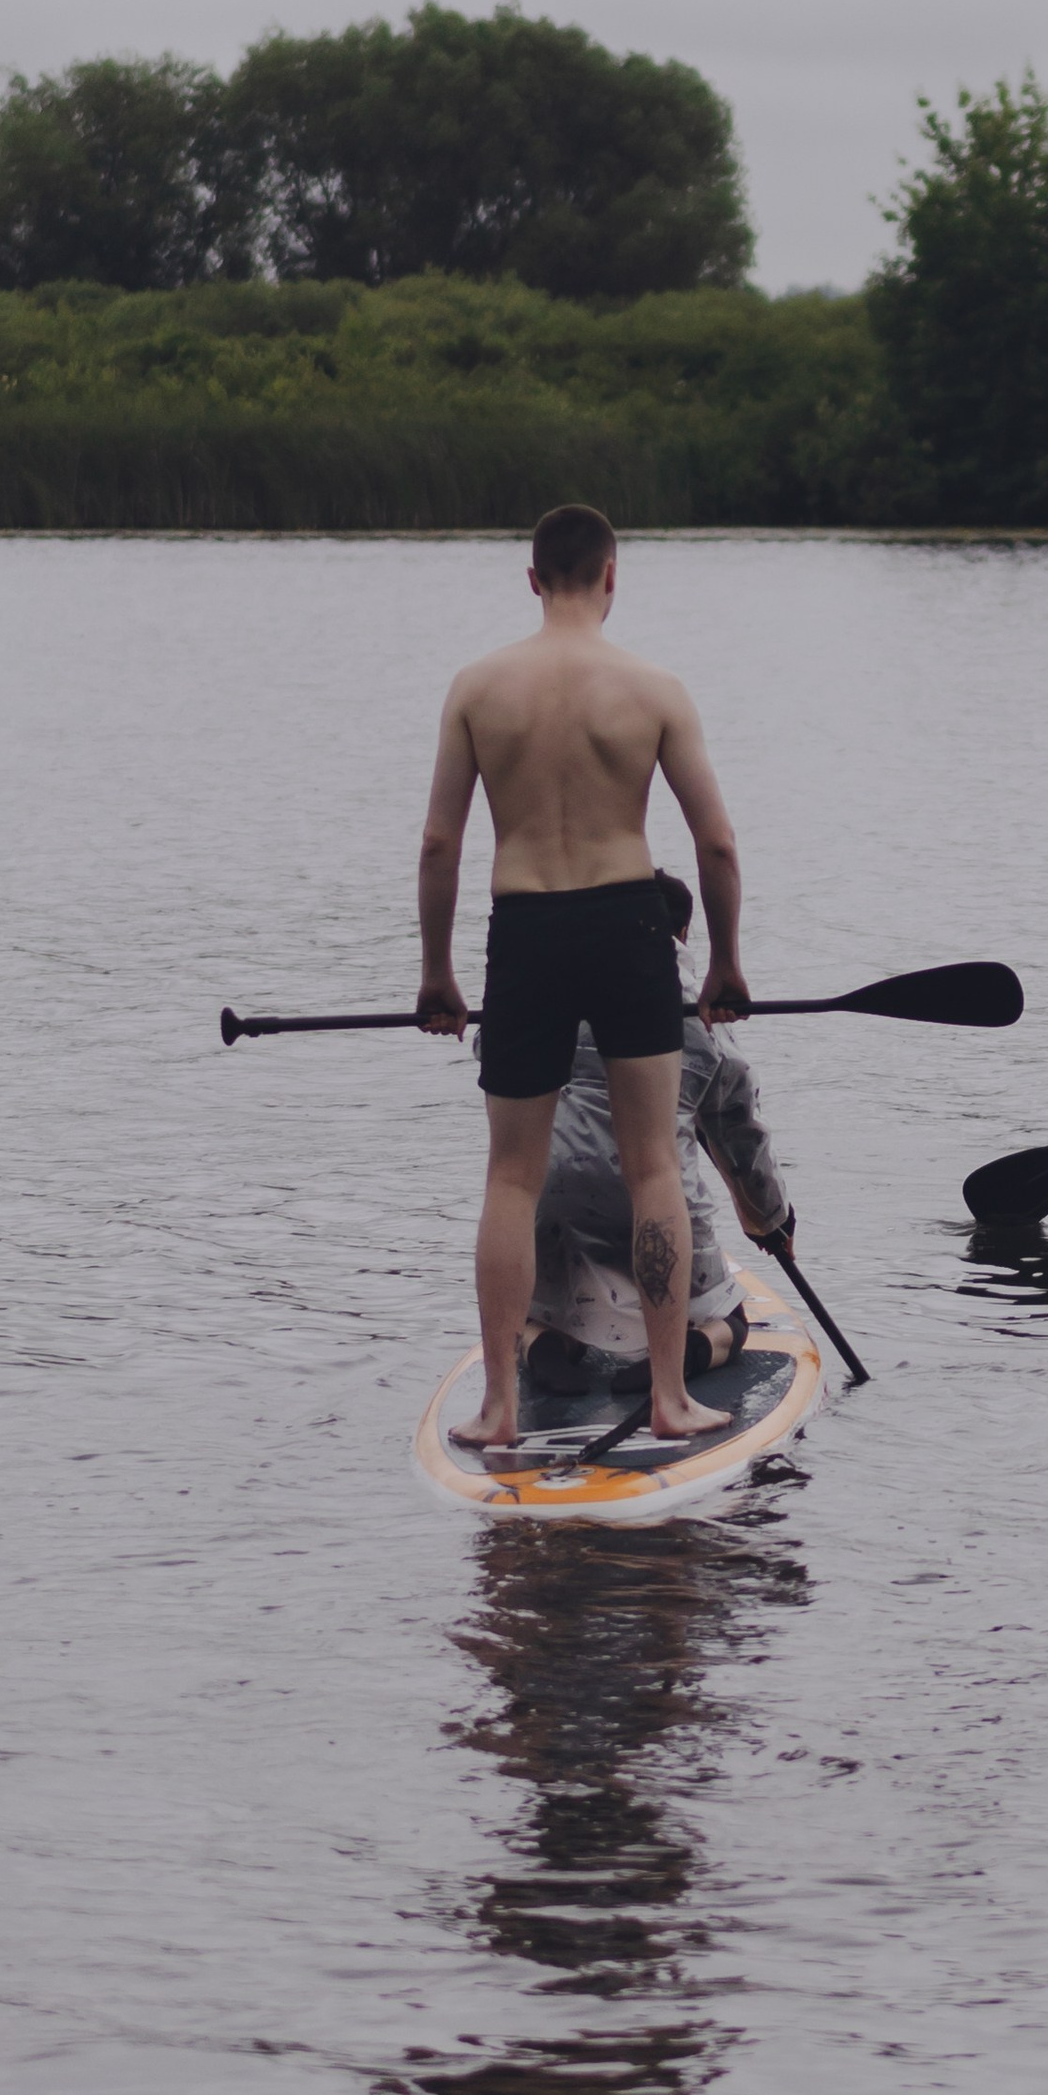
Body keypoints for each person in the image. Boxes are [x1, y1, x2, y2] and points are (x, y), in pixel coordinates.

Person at [415, 503, 747, 1450]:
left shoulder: (477, 688)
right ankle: (673, 1395)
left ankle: (500, 1409)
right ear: (612, 575)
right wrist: (723, 961)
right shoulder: (653, 690)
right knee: (652, 1167)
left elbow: (440, 842)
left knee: (511, 1178)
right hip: (627, 921)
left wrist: (438, 973)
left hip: (524, 924)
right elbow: (715, 843)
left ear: (531, 579)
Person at [525, 872, 793, 1393]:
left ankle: (546, 1350)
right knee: (731, 1322)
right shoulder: (698, 1016)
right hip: (657, 1199)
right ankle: (688, 1351)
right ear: (685, 933)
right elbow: (738, 1134)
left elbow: (494, 1056)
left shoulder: (546, 992)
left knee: (531, 1310)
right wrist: (770, 1220)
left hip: (550, 1198)